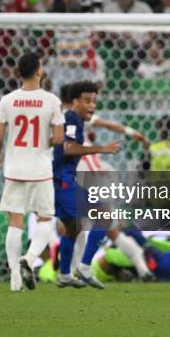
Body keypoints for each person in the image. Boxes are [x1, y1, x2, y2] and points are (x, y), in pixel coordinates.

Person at [0, 53, 65, 292]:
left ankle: (14, 277)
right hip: (40, 169)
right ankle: (29, 260)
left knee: (15, 220)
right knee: (45, 218)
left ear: (19, 73)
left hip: (14, 169)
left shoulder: (7, 100)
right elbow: (59, 138)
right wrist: (43, 143)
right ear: (39, 71)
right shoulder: (51, 100)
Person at [51, 81, 122, 288]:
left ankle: (64, 274)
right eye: (87, 100)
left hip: (58, 181)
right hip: (62, 181)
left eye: (94, 101)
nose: (92, 105)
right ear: (74, 101)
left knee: (72, 229)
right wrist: (103, 149)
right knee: (105, 214)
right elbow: (68, 148)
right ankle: (84, 265)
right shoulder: (71, 118)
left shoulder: (75, 120)